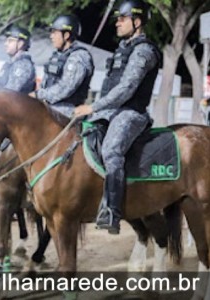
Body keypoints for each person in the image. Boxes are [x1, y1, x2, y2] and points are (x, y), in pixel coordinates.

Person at [74, 0, 161, 234]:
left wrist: (93, 107)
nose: (118, 23)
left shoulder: (144, 51)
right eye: (117, 19)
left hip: (131, 113)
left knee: (111, 150)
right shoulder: (122, 48)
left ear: (138, 21)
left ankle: (112, 211)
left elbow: (127, 88)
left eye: (122, 18)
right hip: (110, 111)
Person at [30, 14, 94, 117]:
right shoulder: (56, 56)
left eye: (55, 32)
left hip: (67, 110)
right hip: (49, 105)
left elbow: (65, 88)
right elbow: (45, 82)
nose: (51, 36)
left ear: (66, 35)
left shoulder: (79, 57)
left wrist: (38, 94)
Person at [0, 25, 36, 93]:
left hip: (12, 102)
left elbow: (9, 92)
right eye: (6, 41)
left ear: (20, 44)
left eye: (10, 41)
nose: (6, 44)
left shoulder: (23, 65)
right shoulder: (8, 64)